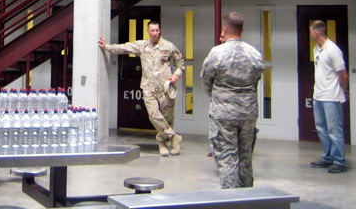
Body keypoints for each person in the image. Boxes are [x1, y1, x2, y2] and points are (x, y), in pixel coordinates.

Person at [99, 21, 185, 156]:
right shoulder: (141, 46)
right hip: (148, 88)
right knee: (153, 115)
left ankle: (163, 144)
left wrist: (175, 75)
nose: (156, 33)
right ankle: (174, 137)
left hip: (165, 88)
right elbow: (124, 48)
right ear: (148, 31)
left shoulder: (169, 46)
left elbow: (180, 63)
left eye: (157, 30)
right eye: (153, 31)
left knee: (167, 117)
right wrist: (107, 47)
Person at [201, 12, 264, 188]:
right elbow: (256, 79)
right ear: (242, 30)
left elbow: (206, 81)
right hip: (248, 113)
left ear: (225, 28)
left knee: (227, 159)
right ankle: (247, 201)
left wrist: (220, 97)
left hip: (224, 114)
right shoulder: (254, 54)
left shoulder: (217, 53)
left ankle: (231, 201)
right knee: (245, 158)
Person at [309, 20, 349, 174]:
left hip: (331, 96)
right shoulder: (316, 50)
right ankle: (328, 157)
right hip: (318, 95)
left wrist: (344, 91)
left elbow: (343, 74)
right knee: (321, 128)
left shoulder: (333, 50)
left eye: (311, 31)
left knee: (334, 129)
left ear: (316, 32)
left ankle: (339, 160)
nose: (311, 33)